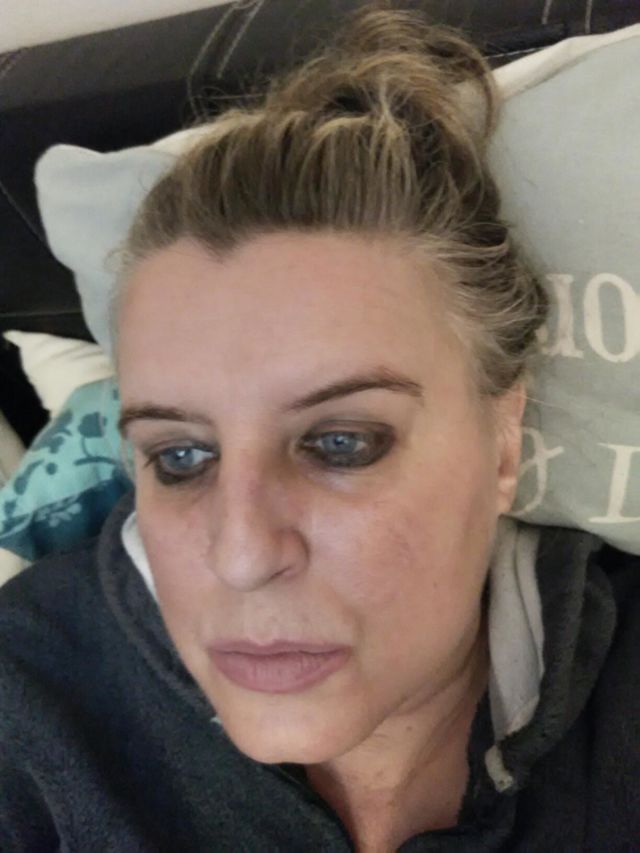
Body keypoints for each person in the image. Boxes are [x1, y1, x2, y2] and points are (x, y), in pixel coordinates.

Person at [1, 3, 639, 851]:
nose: (241, 554)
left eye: (342, 444)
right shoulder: (28, 696)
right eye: (180, 456)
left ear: (502, 439)